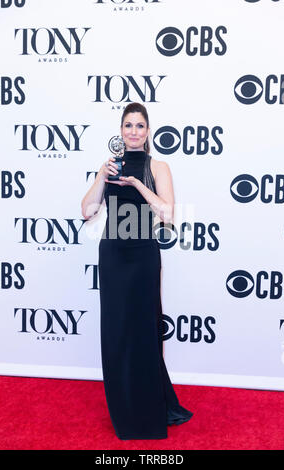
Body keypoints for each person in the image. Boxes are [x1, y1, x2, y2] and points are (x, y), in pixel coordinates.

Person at [81, 102, 193, 440]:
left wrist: (138, 185)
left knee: (144, 331)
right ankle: (123, 410)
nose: (133, 131)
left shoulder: (159, 166)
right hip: (113, 255)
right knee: (116, 332)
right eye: (128, 125)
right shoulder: (109, 167)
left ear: (148, 131)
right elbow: (87, 211)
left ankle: (149, 411)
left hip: (143, 255)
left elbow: (168, 214)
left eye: (139, 126)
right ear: (121, 130)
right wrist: (102, 176)